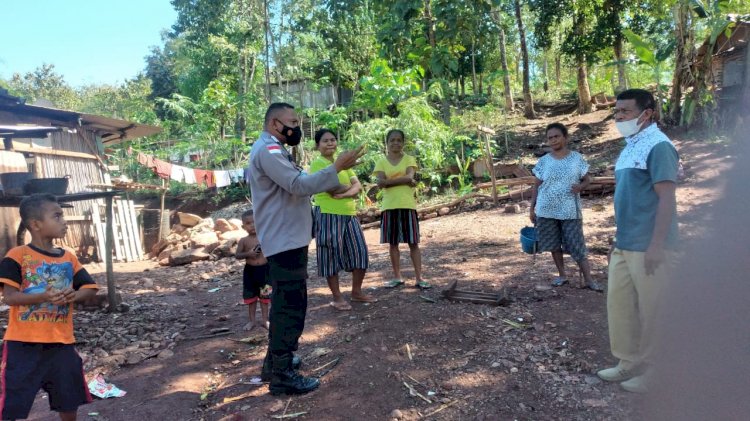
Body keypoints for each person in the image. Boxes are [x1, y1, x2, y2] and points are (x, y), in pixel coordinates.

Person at [249, 102, 362, 395]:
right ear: (275, 123)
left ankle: (274, 364)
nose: (296, 127)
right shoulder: (269, 150)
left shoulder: (273, 148)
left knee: (287, 303)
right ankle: (282, 375)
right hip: (284, 240)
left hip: (287, 238)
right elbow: (299, 185)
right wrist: (338, 167)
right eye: (293, 122)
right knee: (290, 307)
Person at [596, 89, 679, 393]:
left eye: (625, 112)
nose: (619, 117)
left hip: (650, 245)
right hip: (625, 242)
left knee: (655, 308)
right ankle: (628, 360)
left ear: (648, 113)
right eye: (616, 112)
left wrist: (657, 245)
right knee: (620, 306)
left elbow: (666, 198)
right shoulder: (630, 146)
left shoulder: (659, 147)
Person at [0, 194, 99, 421]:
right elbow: (10, 297)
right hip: (23, 344)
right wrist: (42, 296)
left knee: (68, 397)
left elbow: (90, 288)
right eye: (57, 215)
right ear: (35, 224)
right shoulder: (16, 256)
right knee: (14, 400)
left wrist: (72, 295)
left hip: (61, 342)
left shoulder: (68, 258)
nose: (64, 221)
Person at [529, 123, 603, 292]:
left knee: (577, 244)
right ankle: (562, 275)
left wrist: (581, 187)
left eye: (556, 136)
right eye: (550, 138)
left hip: (570, 210)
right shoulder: (544, 161)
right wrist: (531, 208)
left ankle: (589, 279)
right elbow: (536, 185)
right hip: (546, 209)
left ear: (565, 137)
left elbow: (587, 179)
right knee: (554, 244)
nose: (553, 140)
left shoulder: (577, 158)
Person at [309, 129, 376, 311]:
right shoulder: (318, 164)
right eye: (325, 141)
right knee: (330, 255)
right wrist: (348, 190)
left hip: (349, 214)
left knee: (360, 252)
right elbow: (331, 188)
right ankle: (337, 297)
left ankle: (356, 292)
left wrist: (345, 192)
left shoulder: (344, 164)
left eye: (332, 140)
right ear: (317, 145)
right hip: (328, 214)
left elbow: (358, 186)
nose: (330, 143)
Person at [374, 129, 431, 290]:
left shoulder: (409, 159)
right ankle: (397, 277)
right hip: (389, 206)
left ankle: (419, 278)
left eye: (399, 140)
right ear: (387, 143)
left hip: (407, 204)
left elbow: (407, 177)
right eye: (392, 140)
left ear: (403, 143)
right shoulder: (381, 161)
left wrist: (390, 181)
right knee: (393, 244)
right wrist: (405, 180)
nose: (396, 143)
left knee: (413, 242)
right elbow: (380, 183)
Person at [235, 209, 271, 331]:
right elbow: (237, 255)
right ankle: (252, 321)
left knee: (265, 296)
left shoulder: (264, 237)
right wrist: (248, 253)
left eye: (255, 222)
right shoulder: (243, 240)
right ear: (243, 226)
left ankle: (265, 320)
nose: (252, 225)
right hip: (250, 271)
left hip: (265, 271)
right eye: (248, 223)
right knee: (251, 297)